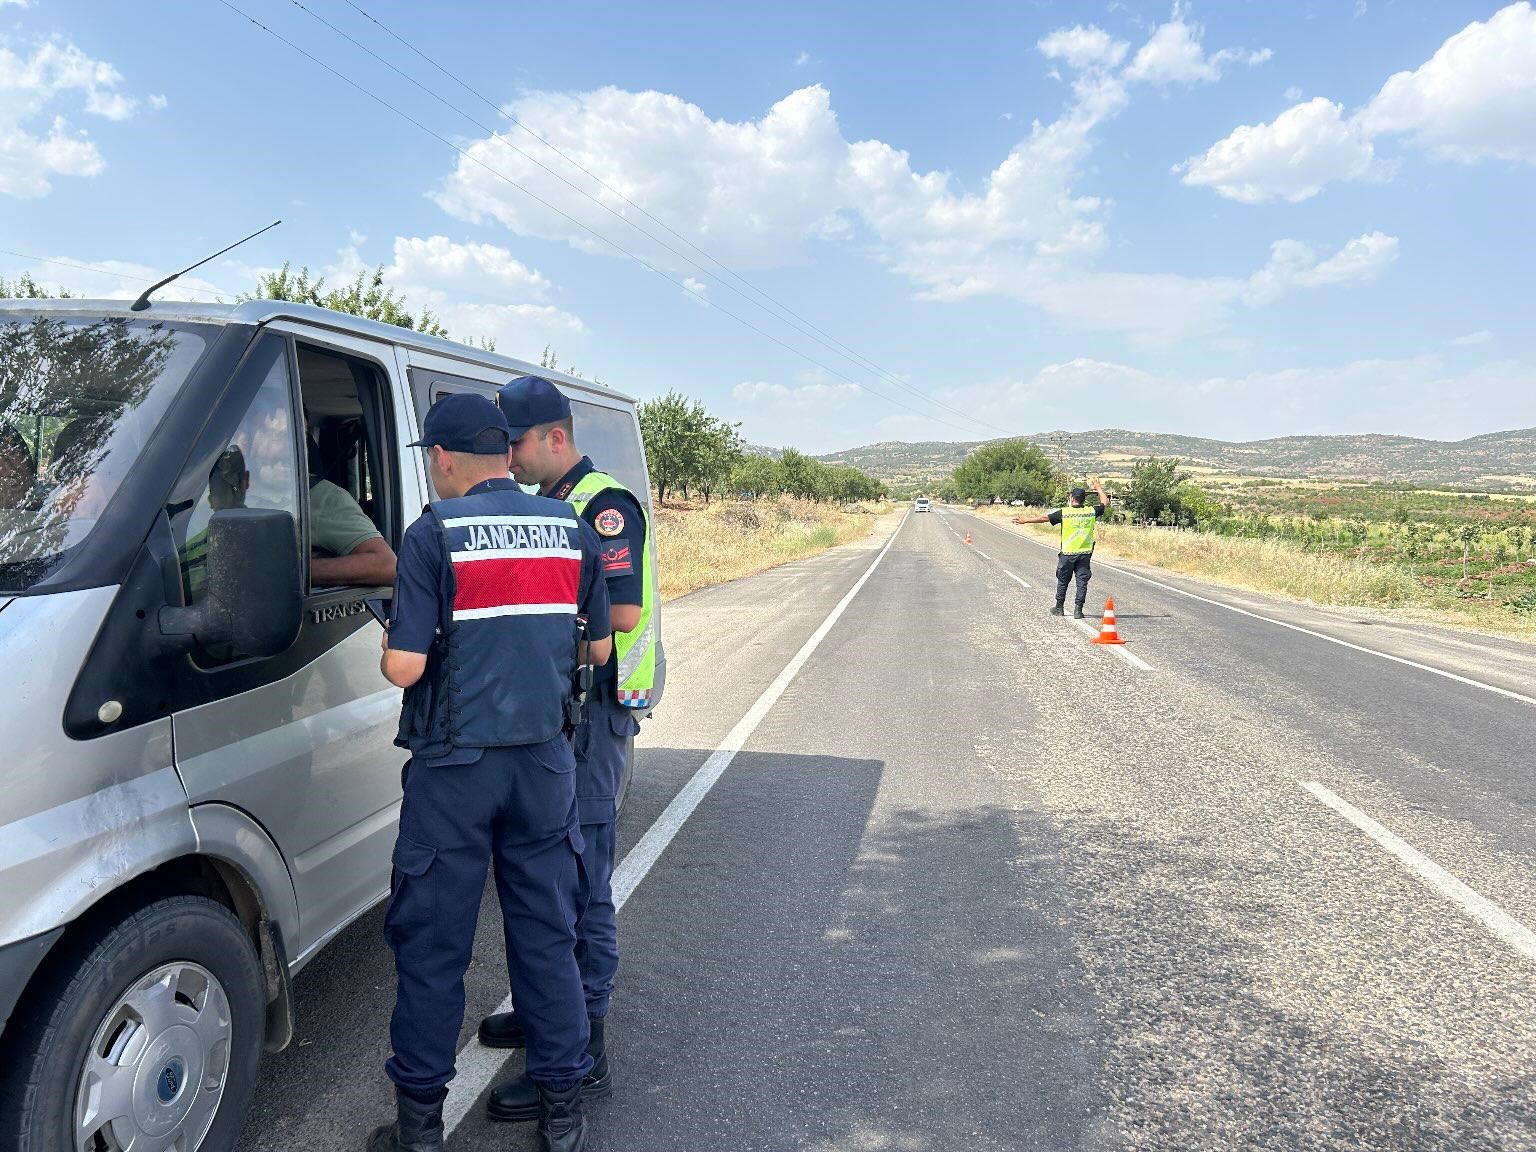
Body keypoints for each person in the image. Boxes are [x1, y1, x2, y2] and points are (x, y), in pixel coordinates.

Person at [369, 393, 611, 1152]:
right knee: (546, 933)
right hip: (544, 765)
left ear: (443, 459)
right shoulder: (570, 527)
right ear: (506, 453)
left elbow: (406, 667)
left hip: (455, 772)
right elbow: (600, 650)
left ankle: (419, 1130)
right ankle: (563, 1110)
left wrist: (393, 637)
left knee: (434, 946)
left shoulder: (432, 534)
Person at [477, 375, 655, 1122]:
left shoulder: (603, 506)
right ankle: (552, 1015)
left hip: (596, 719)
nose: (507, 459)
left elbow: (620, 612)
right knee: (540, 874)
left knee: (580, 883)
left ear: (554, 436)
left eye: (514, 444)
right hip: (558, 721)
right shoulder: (548, 505)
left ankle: (583, 1055)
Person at [306, 414, 397, 587]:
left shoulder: (322, 496)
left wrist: (293, 571)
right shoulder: (241, 492)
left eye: (282, 434)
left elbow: (385, 565)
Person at [1014, 478, 1110, 619]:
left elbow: (1043, 518)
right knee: (1082, 581)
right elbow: (1105, 503)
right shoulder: (1091, 511)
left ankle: (1059, 608)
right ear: (1084, 500)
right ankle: (1078, 610)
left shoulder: (1065, 512)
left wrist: (1026, 520)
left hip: (1068, 553)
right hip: (1085, 553)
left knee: (1063, 580)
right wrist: (1098, 488)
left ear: (1072, 499)